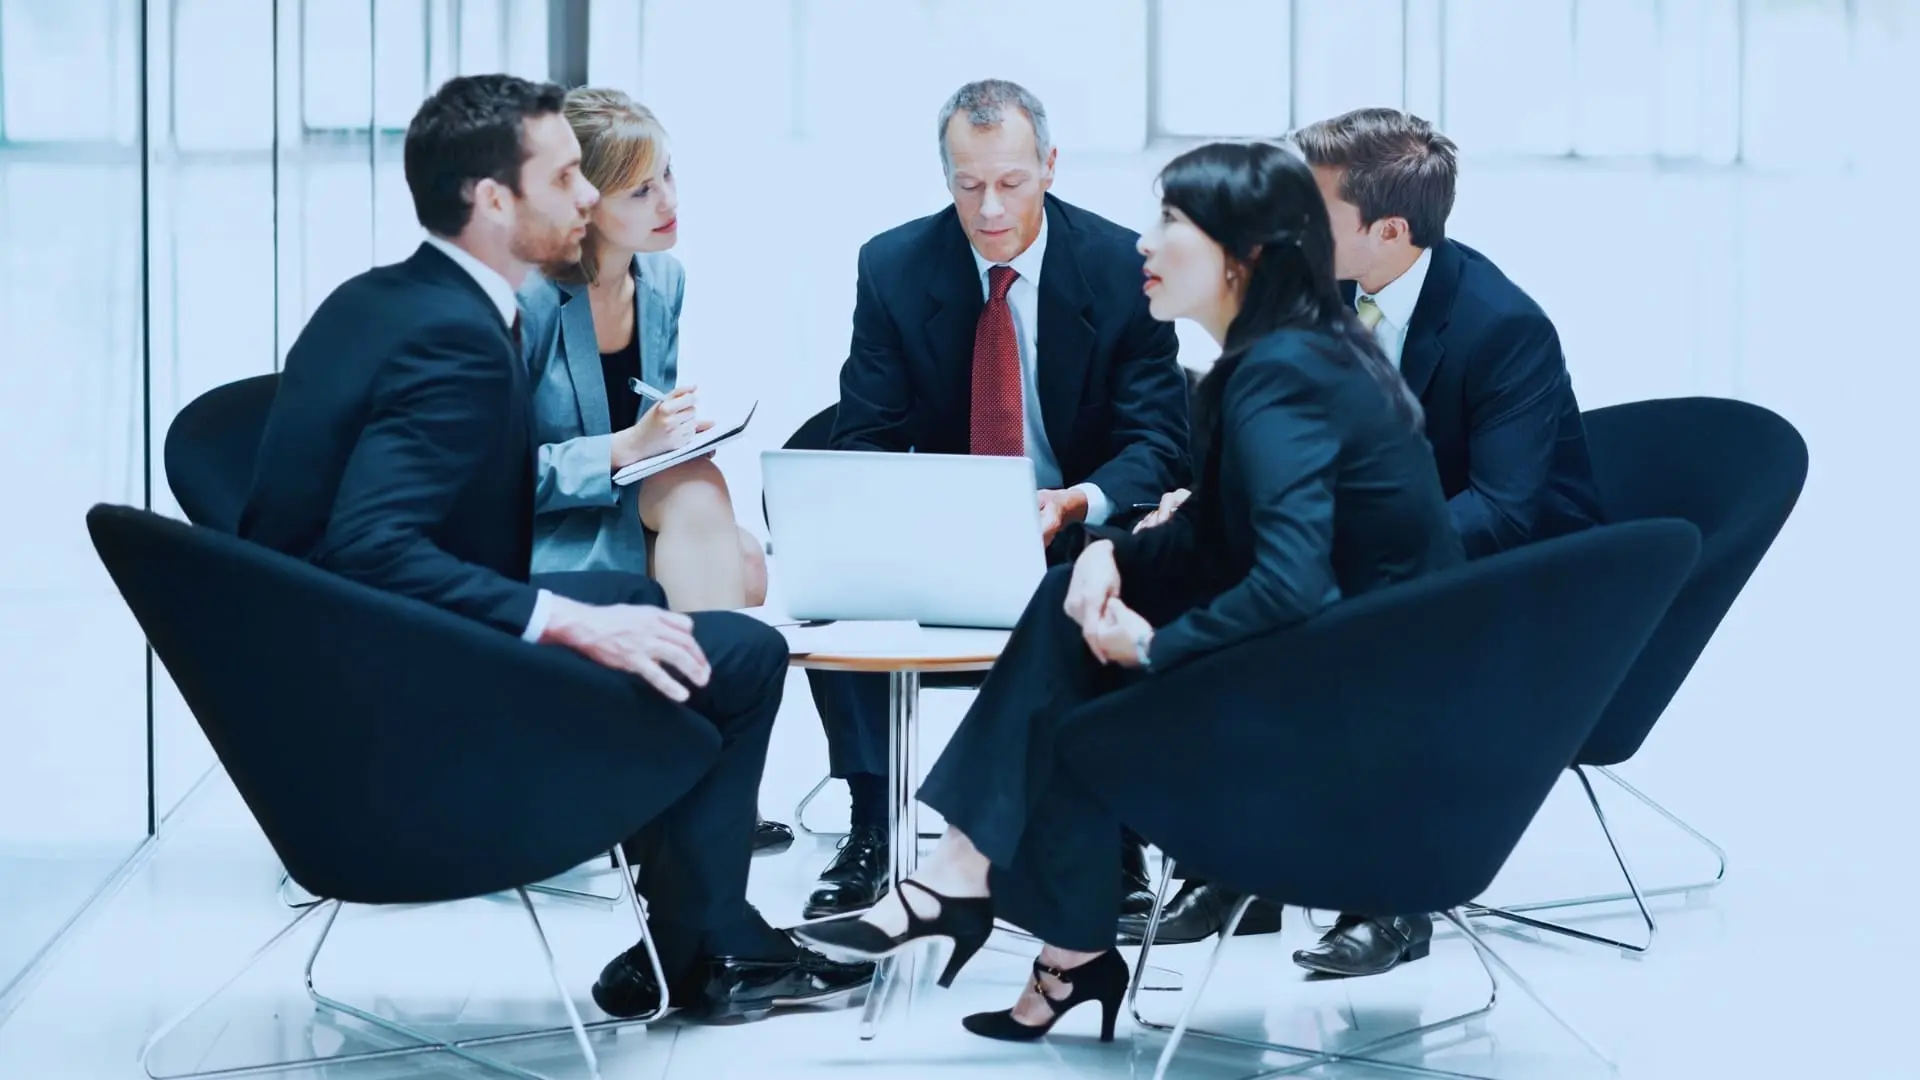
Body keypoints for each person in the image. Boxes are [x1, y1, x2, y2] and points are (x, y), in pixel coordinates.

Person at [793, 140, 1464, 1043]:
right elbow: (1221, 537)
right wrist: (1110, 552)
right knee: (1071, 602)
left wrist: (1154, 647)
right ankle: (1020, 922)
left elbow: (1290, 580)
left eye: (1171, 224)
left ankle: (996, 905)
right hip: (1336, 660)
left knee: (1078, 692)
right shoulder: (1278, 359)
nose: (1143, 247)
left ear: (1245, 257)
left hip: (1356, 706)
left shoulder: (1283, 379)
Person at [238, 74, 867, 1022]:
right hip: (395, 699)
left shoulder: (388, 299)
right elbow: (369, 547)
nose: (587, 198)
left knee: (678, 616)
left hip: (337, 672)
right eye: (571, 177)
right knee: (739, 653)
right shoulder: (459, 335)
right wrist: (566, 619)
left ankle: (695, 934)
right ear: (496, 200)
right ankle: (703, 938)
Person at [1124, 110, 1608, 974]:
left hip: (1522, 585)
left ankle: (1392, 900)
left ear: (1389, 232)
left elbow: (1503, 509)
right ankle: (1232, 865)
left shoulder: (1501, 327)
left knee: (1349, 625)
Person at [803, 78, 1189, 924]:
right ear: (944, 175)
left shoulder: (1123, 269)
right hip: (943, 520)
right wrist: (921, 509)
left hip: (1076, 524)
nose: (988, 208)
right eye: (967, 183)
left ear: (1050, 166)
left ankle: (1112, 834)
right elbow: (862, 432)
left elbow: (1158, 443)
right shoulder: (895, 265)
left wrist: (1075, 503)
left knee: (1122, 566)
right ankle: (874, 823)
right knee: (837, 567)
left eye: (1010, 182)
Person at [518, 86, 790, 855]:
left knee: (731, 543)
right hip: (539, 529)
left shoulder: (661, 280)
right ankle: (710, 792)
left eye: (669, 174)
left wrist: (666, 436)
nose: (669, 200)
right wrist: (622, 450)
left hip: (621, 507)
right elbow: (492, 476)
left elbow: (639, 415)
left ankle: (690, 784)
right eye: (642, 189)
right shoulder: (531, 301)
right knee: (728, 549)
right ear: (586, 199)